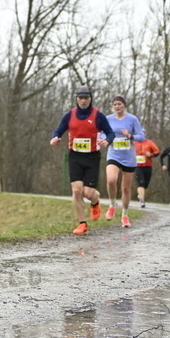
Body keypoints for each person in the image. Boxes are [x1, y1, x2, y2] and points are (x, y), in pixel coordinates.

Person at [50, 85, 115, 235]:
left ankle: (95, 202)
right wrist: (55, 137)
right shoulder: (69, 115)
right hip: (75, 156)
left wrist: (107, 141)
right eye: (81, 98)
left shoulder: (98, 115)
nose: (83, 101)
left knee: (88, 192)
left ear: (90, 99)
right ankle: (82, 223)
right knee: (77, 190)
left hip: (92, 157)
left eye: (86, 98)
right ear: (76, 99)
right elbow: (59, 129)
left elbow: (110, 133)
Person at [102, 95, 145, 228]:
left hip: (128, 157)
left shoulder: (132, 119)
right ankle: (112, 204)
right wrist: (105, 140)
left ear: (124, 105)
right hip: (113, 154)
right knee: (111, 180)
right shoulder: (108, 119)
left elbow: (141, 137)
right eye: (115, 105)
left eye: (119, 104)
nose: (117, 107)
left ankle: (125, 215)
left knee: (126, 188)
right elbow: (102, 133)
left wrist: (130, 136)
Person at [133, 136, 160, 208]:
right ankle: (142, 200)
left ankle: (140, 195)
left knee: (145, 184)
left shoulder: (149, 142)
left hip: (147, 166)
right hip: (137, 166)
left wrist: (151, 155)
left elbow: (157, 152)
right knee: (140, 183)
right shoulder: (133, 143)